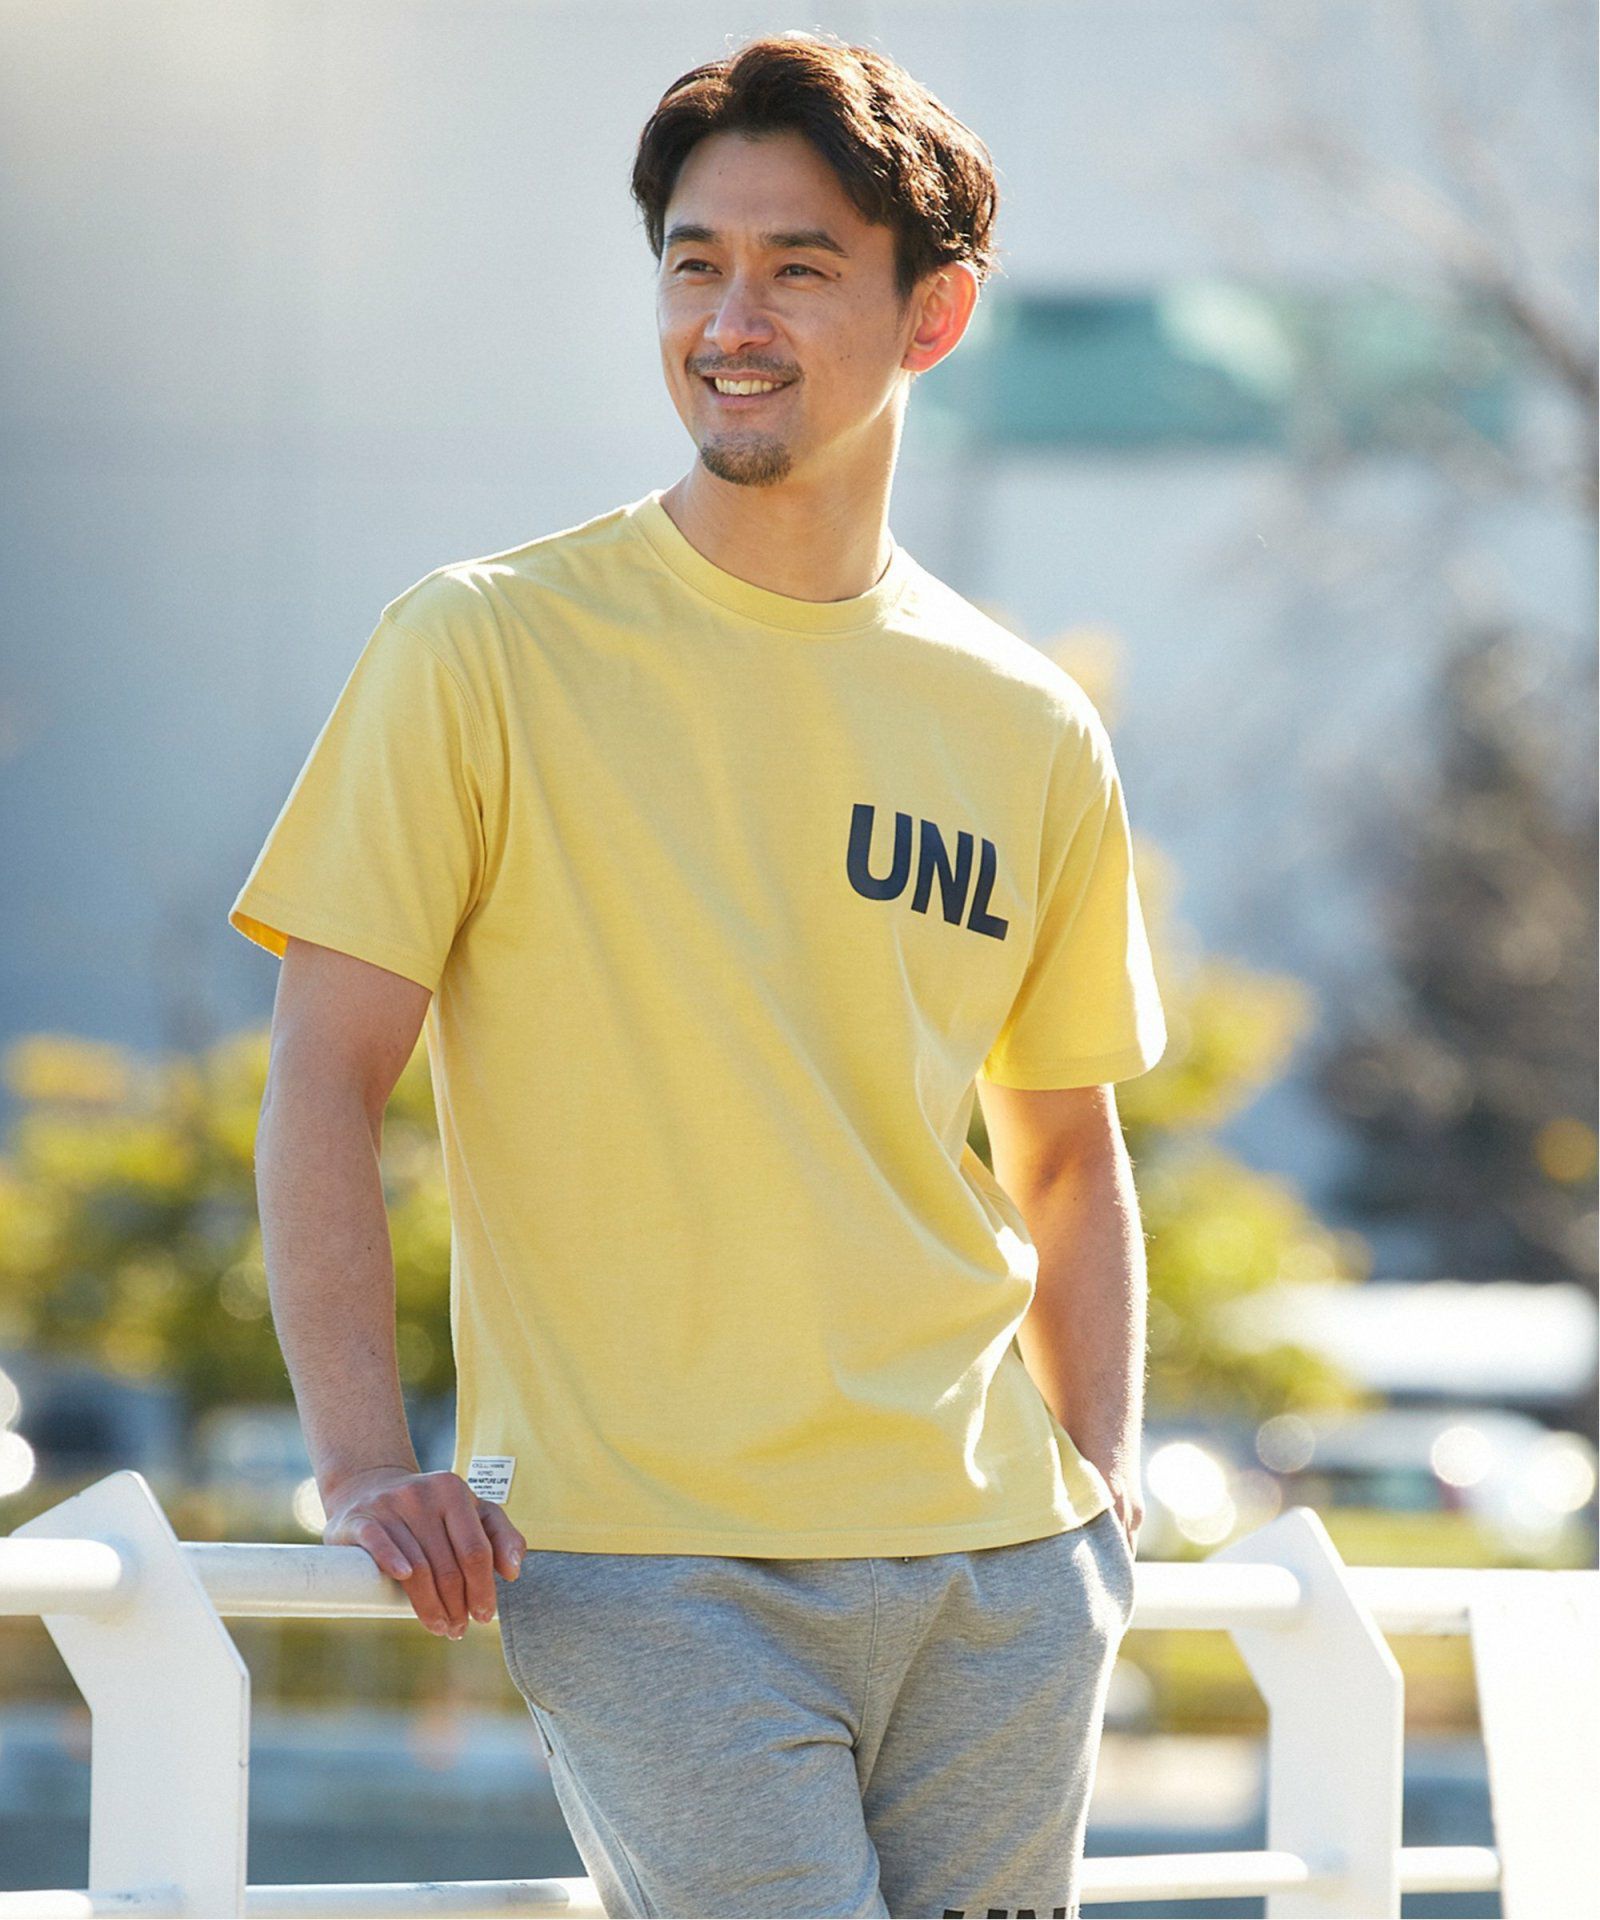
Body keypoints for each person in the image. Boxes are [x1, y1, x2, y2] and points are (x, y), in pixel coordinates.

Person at [229, 28, 1167, 1920]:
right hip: (647, 1565)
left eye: (799, 267)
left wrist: (1101, 1502)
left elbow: (1063, 1147)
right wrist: (364, 1469)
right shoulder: (481, 649)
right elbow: (324, 1077)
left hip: (1002, 1568)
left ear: (932, 314)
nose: (730, 321)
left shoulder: (1025, 723)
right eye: (694, 262)